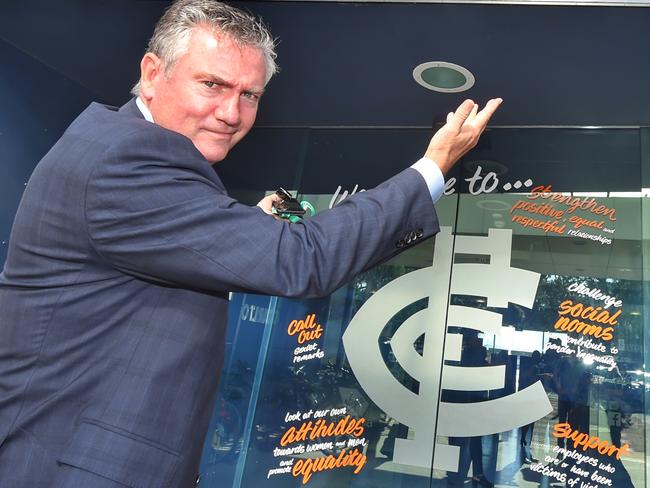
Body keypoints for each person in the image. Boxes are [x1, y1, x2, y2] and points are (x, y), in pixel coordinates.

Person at [0, 1, 501, 486]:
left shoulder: (124, 150)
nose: (230, 112)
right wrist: (432, 168)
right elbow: (302, 260)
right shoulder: (127, 160)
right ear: (152, 73)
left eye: (250, 95)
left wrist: (244, 226)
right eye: (212, 84)